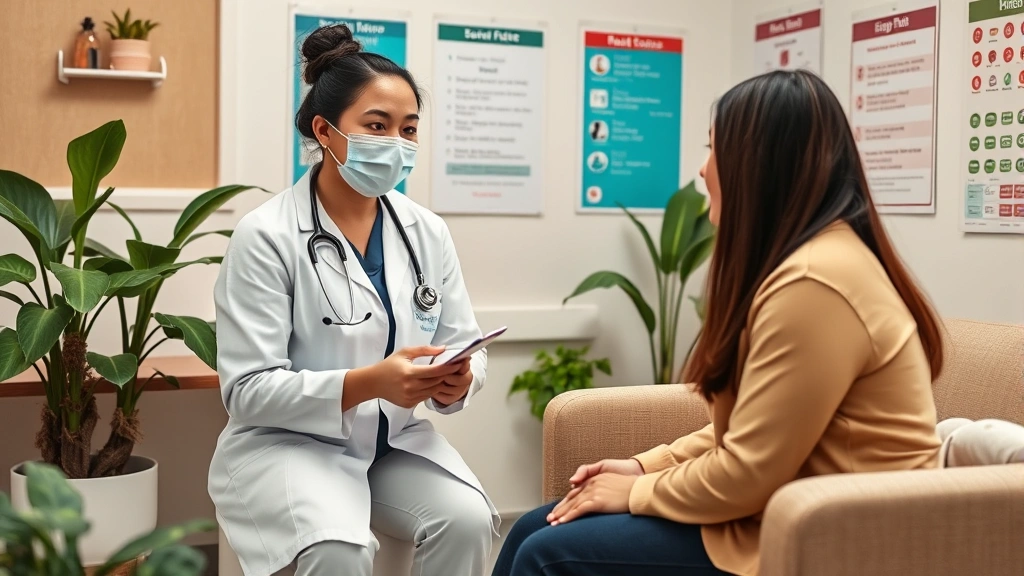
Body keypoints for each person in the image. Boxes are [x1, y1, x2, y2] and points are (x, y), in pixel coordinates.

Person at [493, 69, 945, 576]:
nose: (704, 171)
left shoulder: (815, 284)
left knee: (545, 552)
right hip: (785, 506)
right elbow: (755, 433)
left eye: (713, 150)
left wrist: (637, 491)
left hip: (836, 534)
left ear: (759, 166)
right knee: (535, 526)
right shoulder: (809, 263)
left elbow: (748, 472)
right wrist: (646, 466)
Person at [208, 24, 498, 576]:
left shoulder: (425, 231)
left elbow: (463, 339)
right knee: (339, 549)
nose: (396, 143)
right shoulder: (266, 234)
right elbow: (246, 392)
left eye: (408, 129)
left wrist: (460, 377)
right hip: (289, 445)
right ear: (325, 130)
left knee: (465, 520)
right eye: (376, 125)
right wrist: (370, 382)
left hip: (392, 441)